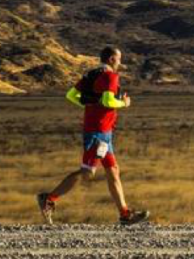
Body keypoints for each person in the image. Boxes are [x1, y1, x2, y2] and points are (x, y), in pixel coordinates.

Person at [36, 46, 149, 225]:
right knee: (87, 173)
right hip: (98, 132)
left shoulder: (91, 74)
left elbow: (71, 95)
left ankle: (125, 214)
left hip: (102, 131)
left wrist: (91, 108)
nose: (120, 63)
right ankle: (49, 198)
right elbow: (107, 100)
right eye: (119, 59)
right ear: (112, 59)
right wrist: (124, 103)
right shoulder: (110, 76)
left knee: (113, 171)